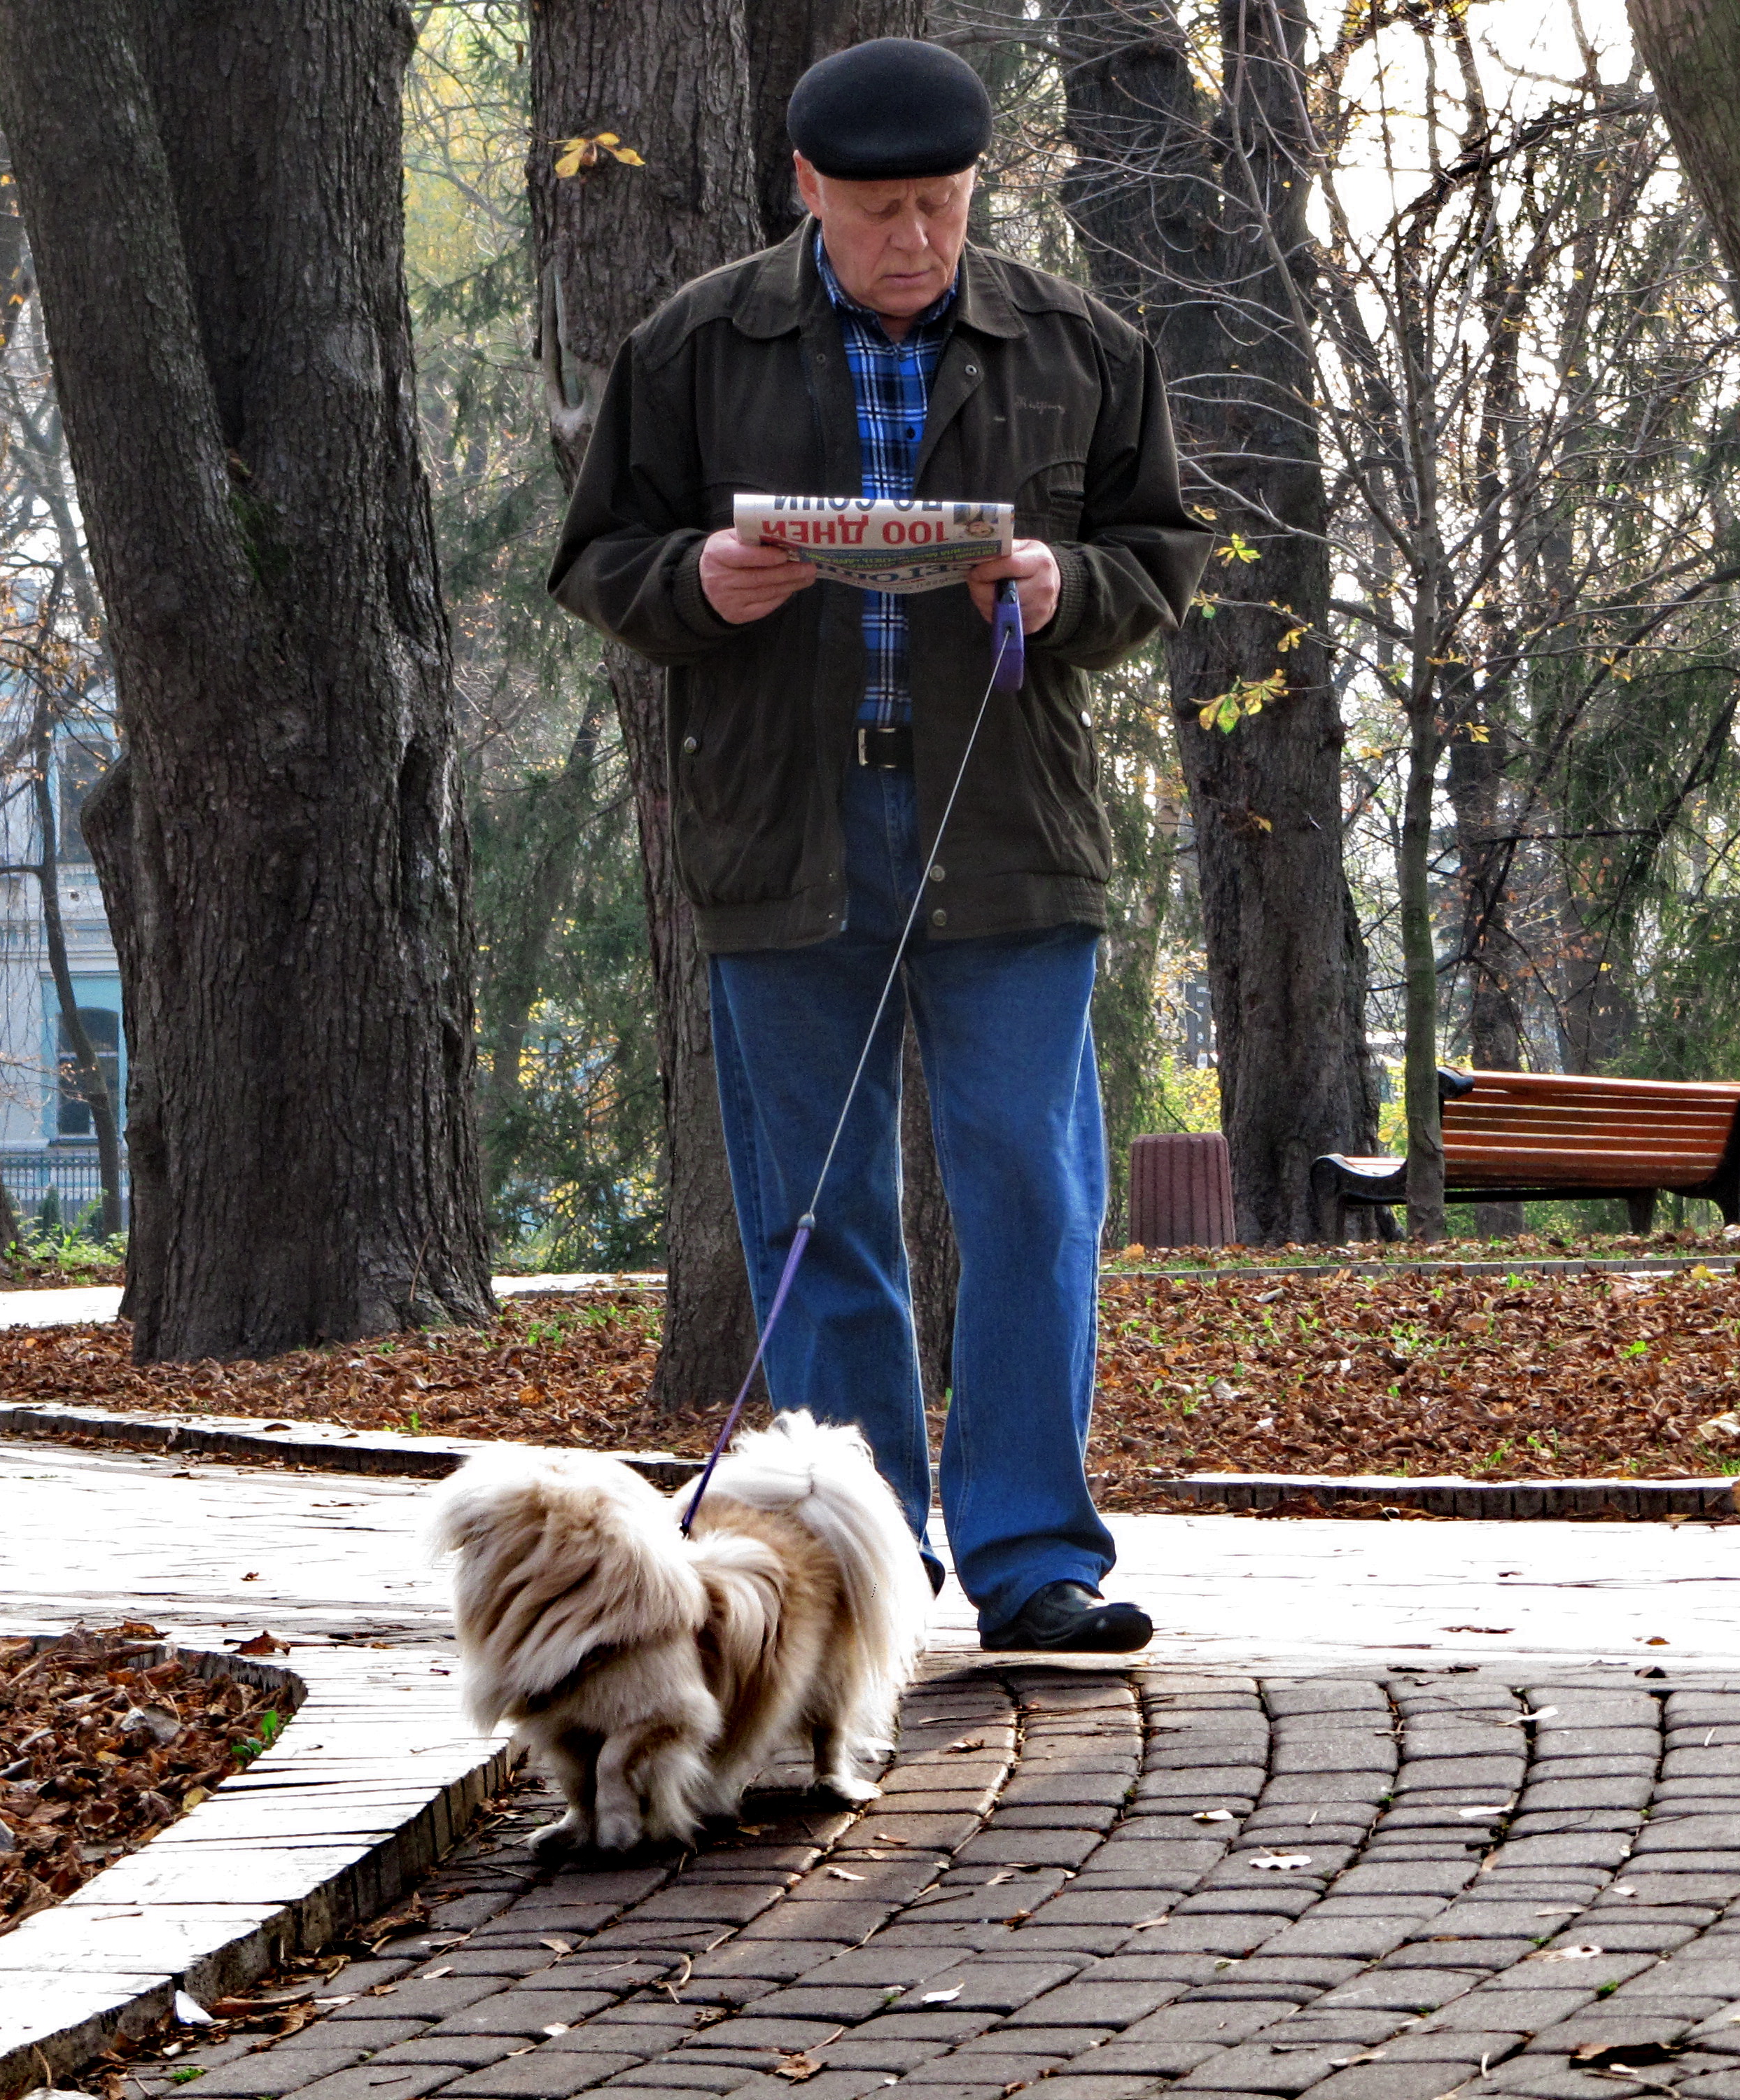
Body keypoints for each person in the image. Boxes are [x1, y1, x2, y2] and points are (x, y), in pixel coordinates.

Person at [547, 40, 1209, 1652]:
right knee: (814, 1212)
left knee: (1032, 1198)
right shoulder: (695, 343)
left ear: (978, 190)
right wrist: (704, 579)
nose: (913, 238)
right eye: (877, 209)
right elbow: (600, 558)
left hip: (1009, 835)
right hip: (785, 831)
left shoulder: (1078, 341)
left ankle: (1036, 1556)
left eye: (940, 204)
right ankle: (858, 1573)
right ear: (805, 191)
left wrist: (1070, 591)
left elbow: (1157, 554)